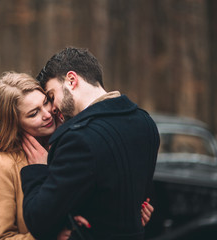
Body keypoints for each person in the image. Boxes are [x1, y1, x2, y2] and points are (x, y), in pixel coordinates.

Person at [0, 71, 154, 240]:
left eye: (46, 102)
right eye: (34, 113)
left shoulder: (67, 145)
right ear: (14, 124)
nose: (48, 114)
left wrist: (130, 217)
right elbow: (1, 237)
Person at [20, 47, 160, 240]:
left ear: (71, 80)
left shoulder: (78, 139)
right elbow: (140, 202)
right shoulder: (145, 123)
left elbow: (39, 221)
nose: (52, 109)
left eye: (51, 97)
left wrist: (37, 170)